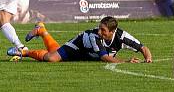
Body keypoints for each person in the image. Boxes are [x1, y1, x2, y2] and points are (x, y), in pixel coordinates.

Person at [10, 16, 152, 63]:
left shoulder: (122, 37)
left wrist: (148, 58)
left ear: (112, 32)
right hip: (77, 47)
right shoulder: (93, 36)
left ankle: (42, 30)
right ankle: (25, 52)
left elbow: (143, 48)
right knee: (51, 58)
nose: (99, 31)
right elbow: (103, 57)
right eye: (99, 28)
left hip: (88, 55)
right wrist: (126, 61)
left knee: (55, 52)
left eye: (103, 30)